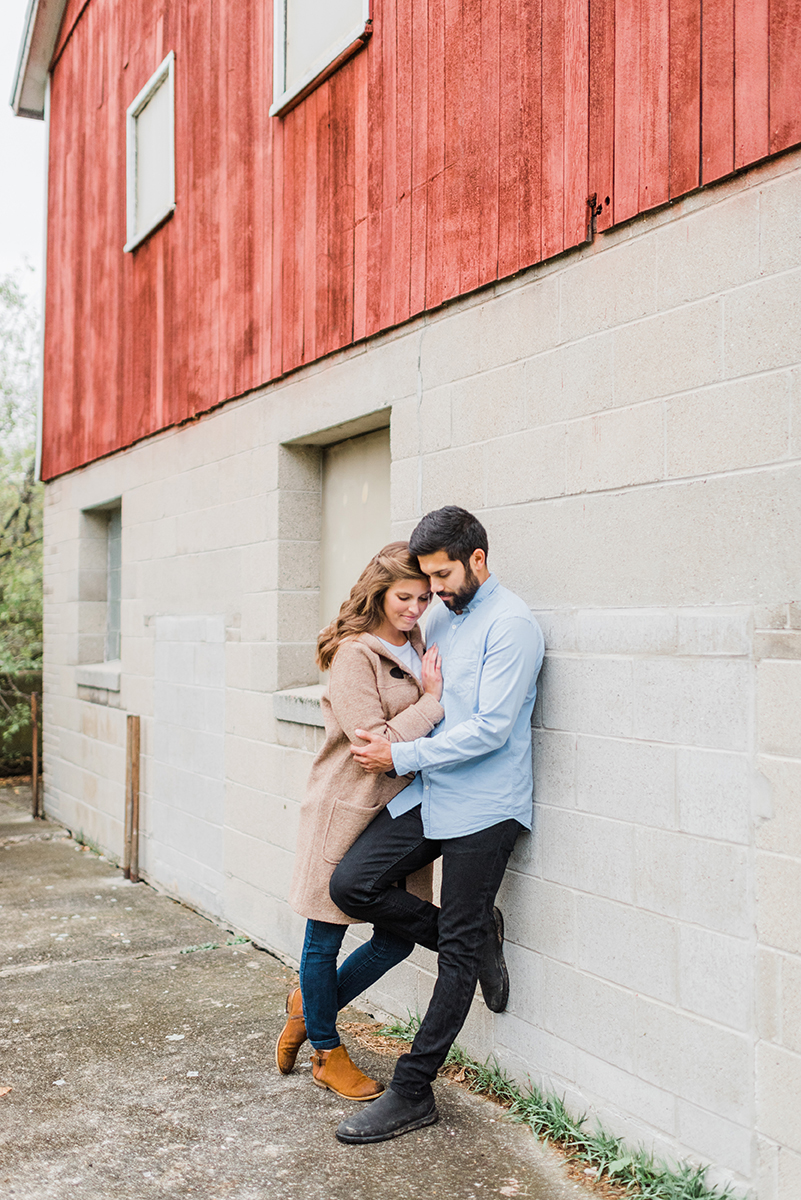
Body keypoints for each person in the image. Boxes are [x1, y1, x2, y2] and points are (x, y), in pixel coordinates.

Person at [329, 506, 544, 1144]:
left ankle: (412, 1091)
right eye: (427, 579)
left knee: (454, 952)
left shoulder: (514, 626)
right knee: (351, 885)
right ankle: (475, 936)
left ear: (478, 559)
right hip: (432, 788)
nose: (434, 593)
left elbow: (492, 730)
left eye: (443, 576)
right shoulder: (443, 619)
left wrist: (401, 753)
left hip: (485, 804)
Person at [275, 542, 445, 1101]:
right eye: (405, 597)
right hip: (347, 808)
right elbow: (373, 740)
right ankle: (326, 1050)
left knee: (396, 939)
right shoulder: (355, 655)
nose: (416, 608)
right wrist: (434, 704)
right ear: (378, 592)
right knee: (325, 935)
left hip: (397, 814)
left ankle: (308, 1008)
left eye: (424, 597)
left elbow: (399, 743)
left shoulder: (416, 640)